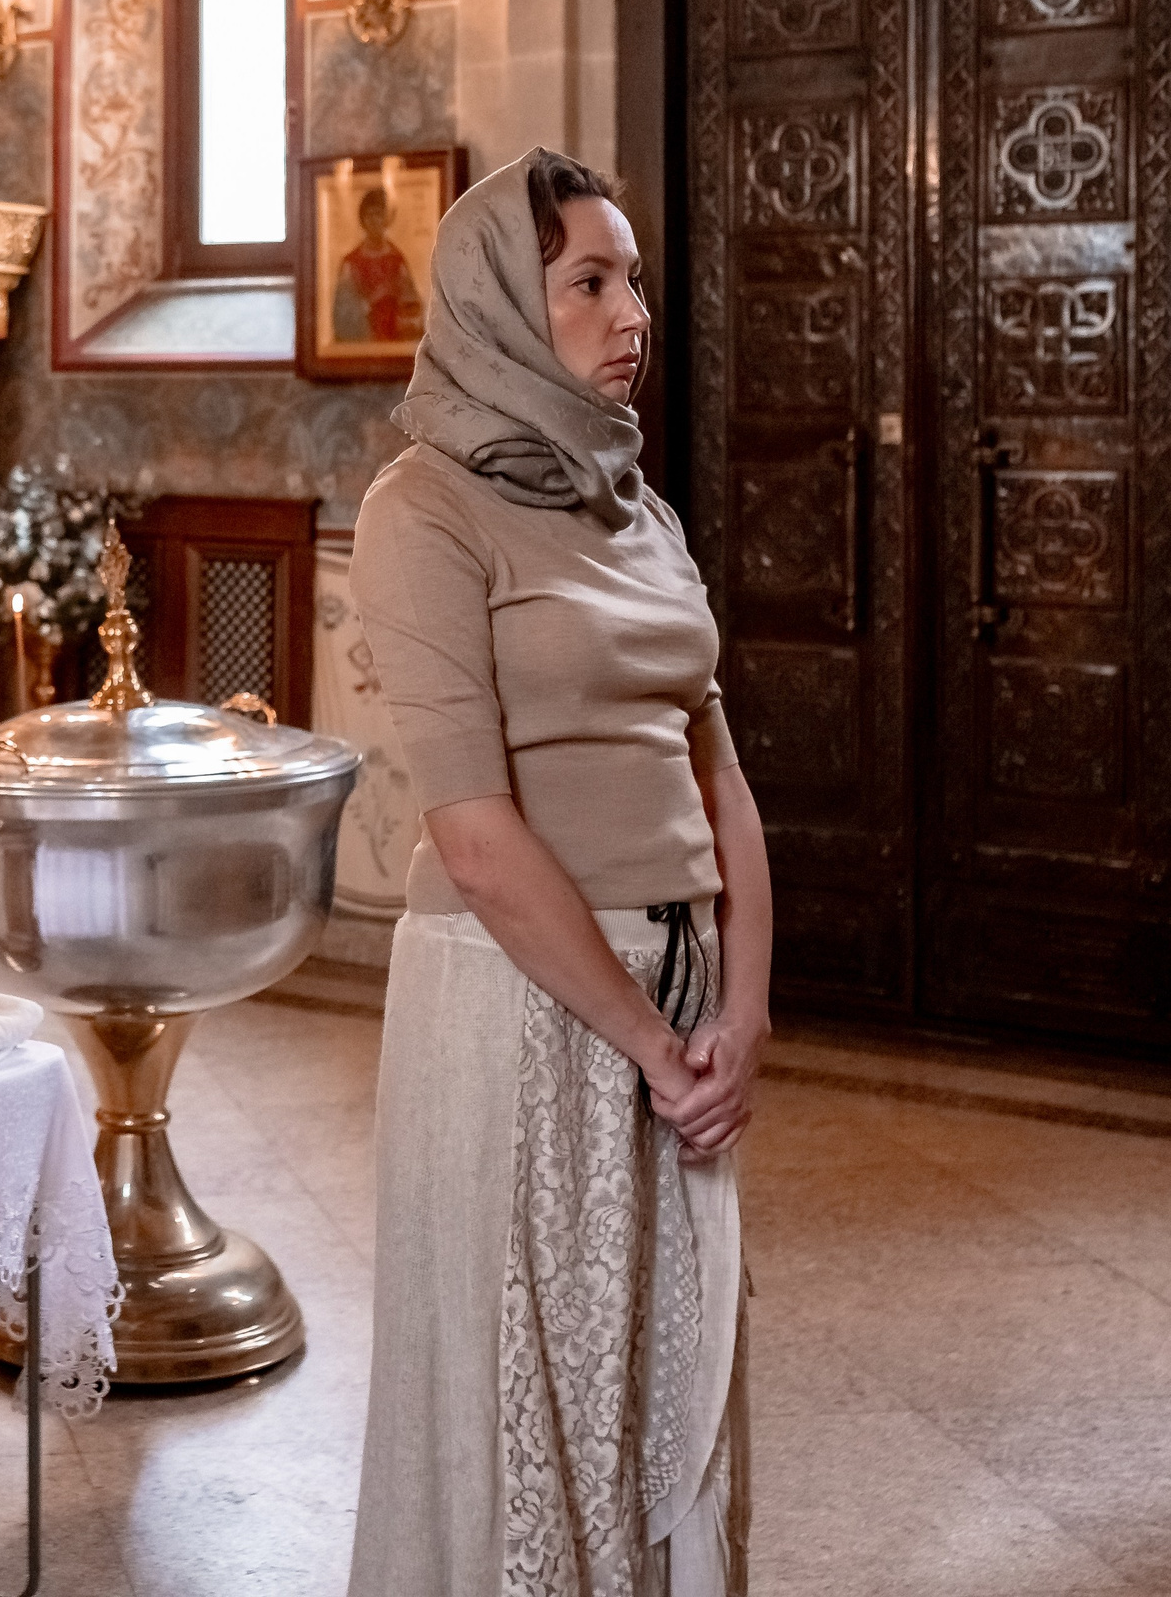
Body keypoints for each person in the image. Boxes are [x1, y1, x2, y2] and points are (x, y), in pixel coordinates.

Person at [346, 148, 770, 1595]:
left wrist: (742, 1020)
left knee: (664, 1378)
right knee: (530, 1394)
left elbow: (721, 782)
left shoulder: (638, 511)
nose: (630, 309)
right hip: (517, 1009)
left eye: (633, 278)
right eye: (589, 279)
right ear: (502, 307)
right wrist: (653, 1043)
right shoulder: (423, 510)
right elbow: (474, 829)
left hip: (677, 995)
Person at [331, 185, 425, 343]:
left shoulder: (397, 260)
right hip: (363, 341)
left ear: (386, 219)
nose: (374, 221)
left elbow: (413, 308)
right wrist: (371, 301)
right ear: (363, 219)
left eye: (379, 215)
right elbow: (342, 316)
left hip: (394, 339)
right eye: (369, 215)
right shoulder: (350, 264)